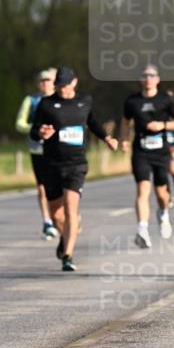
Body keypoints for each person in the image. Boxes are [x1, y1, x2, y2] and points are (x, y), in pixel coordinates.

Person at [29, 67, 119, 272]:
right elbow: (34, 131)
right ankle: (65, 236)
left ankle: (67, 256)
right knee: (55, 215)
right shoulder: (47, 103)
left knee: (71, 209)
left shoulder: (84, 101)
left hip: (76, 164)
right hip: (52, 164)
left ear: (74, 83)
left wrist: (107, 138)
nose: (61, 89)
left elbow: (93, 122)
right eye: (58, 85)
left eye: (65, 85)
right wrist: (42, 133)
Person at [120, 65, 174, 249]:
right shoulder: (132, 101)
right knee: (142, 190)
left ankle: (163, 213)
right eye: (144, 75)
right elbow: (125, 122)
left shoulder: (166, 100)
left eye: (152, 75)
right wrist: (124, 139)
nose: (148, 79)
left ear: (158, 79)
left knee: (162, 194)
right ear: (140, 79)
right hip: (141, 151)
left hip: (161, 152)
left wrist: (162, 125)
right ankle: (142, 230)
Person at [15, 68, 59, 240]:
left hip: (57, 149)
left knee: (58, 187)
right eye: (42, 81)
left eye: (48, 81)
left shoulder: (61, 99)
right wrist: (36, 130)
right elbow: (19, 123)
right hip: (37, 149)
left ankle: (63, 216)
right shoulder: (31, 100)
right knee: (42, 188)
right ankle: (47, 222)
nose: (45, 84)